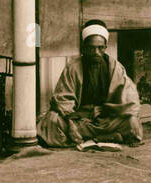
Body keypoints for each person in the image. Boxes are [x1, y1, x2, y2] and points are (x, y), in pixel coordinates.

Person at [37, 21, 143, 149]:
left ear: (105, 47)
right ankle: (109, 136)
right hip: (80, 118)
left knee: (131, 121)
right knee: (53, 121)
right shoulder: (73, 67)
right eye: (91, 48)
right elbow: (63, 99)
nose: (96, 52)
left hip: (106, 118)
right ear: (84, 48)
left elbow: (129, 98)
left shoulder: (115, 67)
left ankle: (94, 137)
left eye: (100, 48)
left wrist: (114, 111)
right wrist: (70, 124)